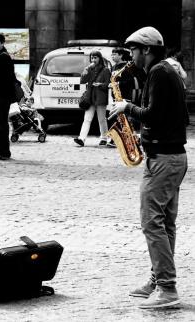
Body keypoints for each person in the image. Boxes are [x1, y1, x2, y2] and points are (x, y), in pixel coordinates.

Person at [109, 26, 189, 309]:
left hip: (163, 160)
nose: (131, 55)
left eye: (133, 50)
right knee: (165, 223)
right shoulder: (167, 71)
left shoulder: (158, 72)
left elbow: (153, 113)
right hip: (173, 157)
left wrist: (126, 108)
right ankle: (158, 279)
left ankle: (167, 289)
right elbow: (177, 117)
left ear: (146, 49)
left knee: (151, 222)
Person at [107, 48, 146, 147]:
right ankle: (120, 139)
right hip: (115, 95)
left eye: (114, 54)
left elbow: (130, 82)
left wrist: (118, 83)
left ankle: (125, 139)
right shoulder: (114, 67)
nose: (112, 56)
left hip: (125, 95)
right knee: (119, 118)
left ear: (120, 55)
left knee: (125, 119)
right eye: (112, 55)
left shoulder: (126, 67)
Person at [74, 50, 111, 147]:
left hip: (100, 98)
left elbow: (108, 84)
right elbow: (82, 81)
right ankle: (81, 138)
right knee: (87, 119)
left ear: (100, 58)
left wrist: (100, 85)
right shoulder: (89, 69)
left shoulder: (105, 70)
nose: (93, 59)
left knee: (102, 119)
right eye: (92, 57)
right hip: (90, 98)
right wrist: (86, 70)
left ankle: (104, 138)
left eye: (95, 57)